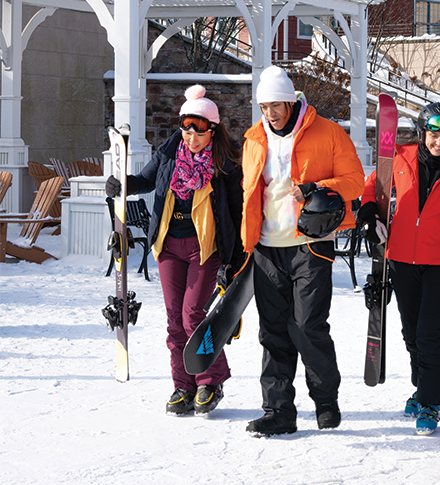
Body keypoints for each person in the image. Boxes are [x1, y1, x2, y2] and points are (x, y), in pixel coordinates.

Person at [105, 85, 244, 415]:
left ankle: (210, 380)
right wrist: (122, 184)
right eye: (186, 129)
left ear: (212, 130)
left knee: (192, 315)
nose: (191, 137)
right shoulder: (169, 153)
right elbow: (146, 180)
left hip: (204, 247)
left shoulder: (225, 163)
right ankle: (183, 386)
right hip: (168, 245)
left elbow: (237, 211)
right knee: (174, 320)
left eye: (199, 130)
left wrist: (236, 260)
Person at [241, 65, 364, 437]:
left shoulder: (328, 132)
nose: (270, 114)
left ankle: (326, 401)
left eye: (276, 106)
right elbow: (247, 194)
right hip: (267, 247)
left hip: (311, 245)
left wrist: (315, 187)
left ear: (291, 102)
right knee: (272, 332)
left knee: (308, 326)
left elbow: (355, 182)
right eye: (264, 107)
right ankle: (278, 411)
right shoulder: (253, 139)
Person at [356, 102, 440, 436]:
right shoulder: (400, 157)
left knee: (429, 332)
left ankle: (430, 400)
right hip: (401, 258)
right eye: (433, 134)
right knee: (411, 331)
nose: (439, 142)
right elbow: (372, 188)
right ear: (422, 132)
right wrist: (368, 213)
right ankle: (421, 386)